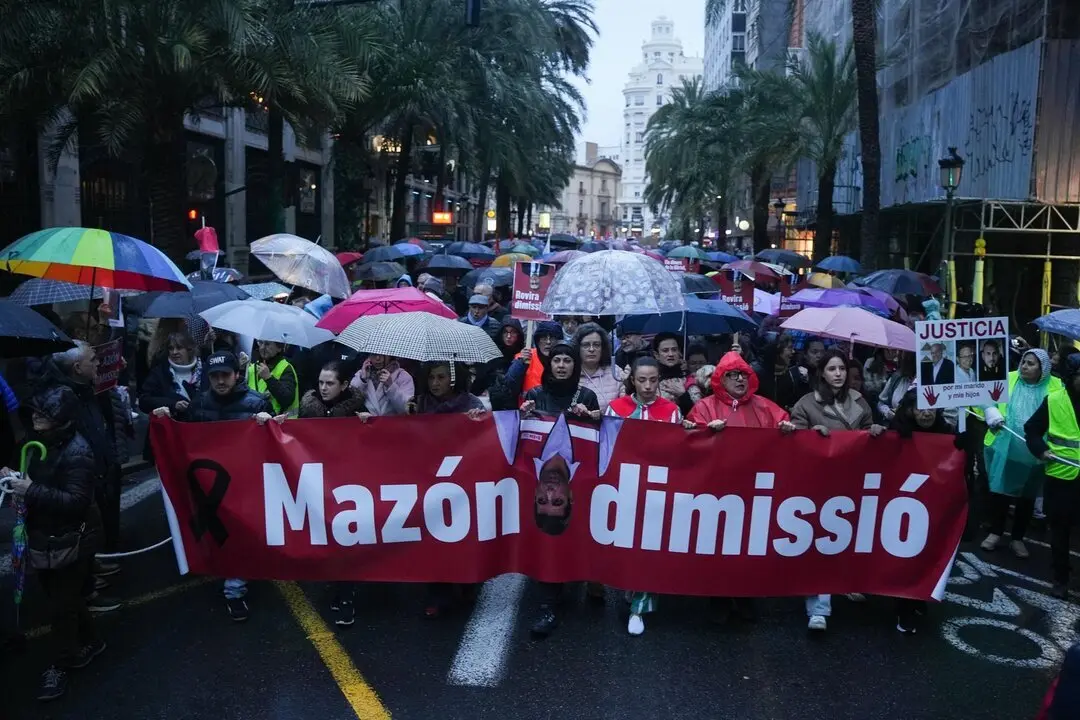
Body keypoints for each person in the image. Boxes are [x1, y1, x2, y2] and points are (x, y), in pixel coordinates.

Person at [1, 385, 105, 702]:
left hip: (72, 541)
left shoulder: (78, 453)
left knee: (61, 606)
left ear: (60, 420)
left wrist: (29, 490)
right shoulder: (37, 445)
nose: (35, 416)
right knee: (66, 599)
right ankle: (90, 641)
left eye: (43, 414)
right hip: (47, 538)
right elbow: (40, 482)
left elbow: (75, 502)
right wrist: (17, 477)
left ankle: (63, 661)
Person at [152, 351, 274, 620]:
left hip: (247, 480)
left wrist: (269, 423)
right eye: (215, 376)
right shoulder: (200, 404)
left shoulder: (256, 403)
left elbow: (276, 440)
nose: (220, 380)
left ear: (237, 375)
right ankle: (235, 589)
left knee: (243, 533)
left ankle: (237, 584)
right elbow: (185, 437)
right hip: (214, 485)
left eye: (225, 375)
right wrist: (166, 421)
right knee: (227, 535)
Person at [686, 351, 795, 624]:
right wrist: (705, 432)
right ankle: (719, 597)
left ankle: (745, 596)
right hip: (716, 491)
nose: (739, 380)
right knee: (718, 545)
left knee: (748, 545)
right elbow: (688, 440)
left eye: (743, 375)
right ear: (720, 379)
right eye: (732, 375)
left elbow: (785, 424)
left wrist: (787, 430)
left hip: (752, 490)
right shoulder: (705, 408)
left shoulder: (765, 406)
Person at [790, 349, 886, 632]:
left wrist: (876, 431)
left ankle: (844, 583)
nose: (838, 374)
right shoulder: (806, 404)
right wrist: (811, 436)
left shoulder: (859, 401)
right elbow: (793, 441)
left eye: (842, 369)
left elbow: (868, 430)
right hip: (817, 483)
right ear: (822, 372)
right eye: (832, 369)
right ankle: (818, 608)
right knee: (820, 541)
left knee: (846, 538)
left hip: (851, 481)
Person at [36, 342, 122, 613]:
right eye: (93, 360)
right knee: (80, 530)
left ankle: (90, 569)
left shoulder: (84, 389)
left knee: (90, 529)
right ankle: (86, 592)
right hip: (79, 475)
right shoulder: (62, 398)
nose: (98, 364)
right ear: (77, 368)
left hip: (92, 469)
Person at [606, 356, 681, 636]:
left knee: (648, 547)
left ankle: (639, 608)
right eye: (642, 380)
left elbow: (678, 450)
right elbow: (608, 449)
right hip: (625, 487)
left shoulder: (672, 410)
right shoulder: (616, 408)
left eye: (653, 379)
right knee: (627, 546)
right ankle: (631, 584)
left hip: (657, 489)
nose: (648, 386)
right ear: (632, 380)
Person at [409, 361, 486, 617]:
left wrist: (477, 422)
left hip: (463, 481)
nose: (435, 383)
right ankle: (437, 593)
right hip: (429, 480)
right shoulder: (419, 404)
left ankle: (467, 581)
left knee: (463, 535)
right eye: (431, 378)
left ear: (452, 379)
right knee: (434, 535)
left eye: (441, 377)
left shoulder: (471, 403)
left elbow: (486, 438)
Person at [890, 390, 958, 633]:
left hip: (931, 503)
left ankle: (917, 597)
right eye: (920, 408)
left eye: (931, 407)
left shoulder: (948, 432)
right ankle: (903, 609)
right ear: (909, 410)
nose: (926, 413)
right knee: (905, 555)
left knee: (926, 553)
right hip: (901, 504)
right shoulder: (896, 430)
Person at [982, 349, 1060, 558]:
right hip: (1006, 447)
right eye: (1024, 362)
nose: (1024, 366)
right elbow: (986, 398)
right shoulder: (1009, 378)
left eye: (1031, 364)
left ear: (1042, 369)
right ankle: (995, 533)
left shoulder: (1055, 386)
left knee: (1027, 498)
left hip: (1036, 452)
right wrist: (991, 412)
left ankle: (1017, 538)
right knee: (1000, 494)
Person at [1025, 352, 1080, 599]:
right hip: (1061, 479)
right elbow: (1032, 430)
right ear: (1070, 377)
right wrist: (1041, 449)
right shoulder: (1054, 400)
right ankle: (1060, 578)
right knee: (1060, 532)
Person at [489, 321, 562, 410]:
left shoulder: (565, 358)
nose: (548, 342)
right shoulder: (525, 356)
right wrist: (520, 363)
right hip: (527, 413)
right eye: (543, 338)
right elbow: (509, 386)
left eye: (553, 338)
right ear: (537, 340)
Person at [138, 331, 208, 418]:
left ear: (189, 349)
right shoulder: (159, 372)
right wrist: (173, 404)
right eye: (171, 348)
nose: (174, 352)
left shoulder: (206, 370)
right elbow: (144, 401)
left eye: (179, 348)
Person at [521, 343, 600, 420]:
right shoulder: (535, 394)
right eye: (556, 360)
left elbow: (597, 430)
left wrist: (589, 417)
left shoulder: (587, 396)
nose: (561, 365)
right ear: (550, 364)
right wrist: (523, 414)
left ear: (575, 365)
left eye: (567, 361)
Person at [574, 322, 624, 413]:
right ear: (577, 347)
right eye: (586, 345)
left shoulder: (616, 372)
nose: (591, 349)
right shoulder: (571, 372)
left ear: (603, 347)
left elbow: (625, 407)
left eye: (596, 345)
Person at [472, 318, 525, 398]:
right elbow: (480, 382)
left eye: (513, 332)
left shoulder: (524, 355)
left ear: (518, 334)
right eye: (505, 332)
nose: (509, 336)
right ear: (501, 334)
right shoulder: (492, 354)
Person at [756, 332, 808, 412]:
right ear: (777, 350)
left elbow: (796, 402)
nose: (793, 351)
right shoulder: (758, 372)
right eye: (790, 348)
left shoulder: (793, 373)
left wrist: (805, 382)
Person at [246, 339, 299, 417]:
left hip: (280, 425)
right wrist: (241, 370)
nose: (262, 347)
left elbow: (287, 399)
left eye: (267, 344)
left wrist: (269, 379)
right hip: (255, 424)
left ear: (279, 348)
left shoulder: (286, 368)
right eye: (260, 342)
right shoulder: (251, 368)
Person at [350, 353, 414, 416]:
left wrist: (391, 386)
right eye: (374, 354)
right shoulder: (362, 373)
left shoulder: (403, 376)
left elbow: (407, 409)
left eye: (382, 354)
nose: (378, 358)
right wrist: (362, 379)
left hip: (393, 424)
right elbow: (350, 400)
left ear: (390, 355)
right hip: (366, 424)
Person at [877, 352, 917, 423]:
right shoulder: (896, 378)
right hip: (895, 426)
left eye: (905, 357)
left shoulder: (927, 380)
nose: (898, 359)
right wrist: (888, 413)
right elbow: (881, 403)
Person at [651, 332, 688, 403]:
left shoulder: (687, 377)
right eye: (665, 351)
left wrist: (683, 396)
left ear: (679, 352)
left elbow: (696, 410)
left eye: (674, 350)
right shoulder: (651, 378)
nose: (670, 354)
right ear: (656, 355)